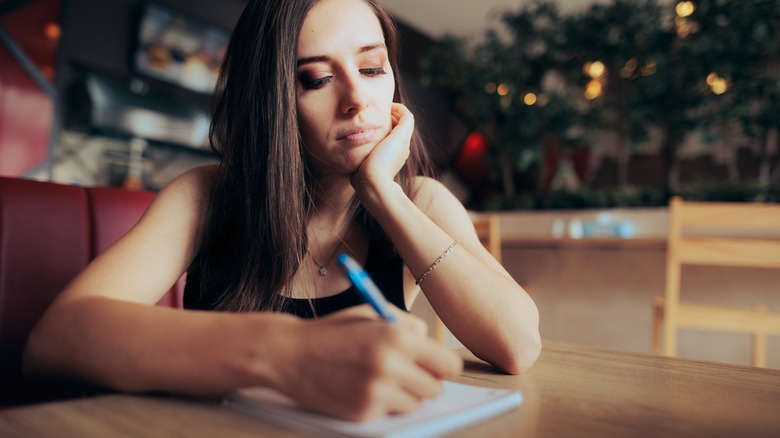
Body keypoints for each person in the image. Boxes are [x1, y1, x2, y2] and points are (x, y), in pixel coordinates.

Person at [24, 0, 541, 421]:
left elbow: (517, 346)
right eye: (316, 79)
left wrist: (383, 193)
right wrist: (284, 353)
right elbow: (56, 338)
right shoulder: (207, 196)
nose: (358, 98)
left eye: (371, 67)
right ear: (271, 102)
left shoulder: (420, 200)